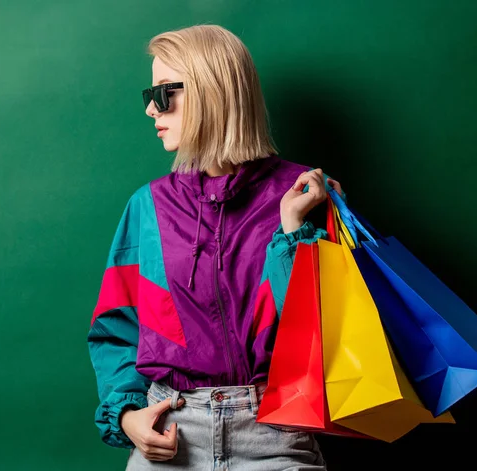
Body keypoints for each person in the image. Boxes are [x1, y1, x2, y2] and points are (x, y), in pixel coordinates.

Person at [87, 24, 345, 470]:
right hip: (170, 434)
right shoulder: (148, 207)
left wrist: (292, 230)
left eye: (164, 93)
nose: (151, 109)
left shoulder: (303, 194)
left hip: (274, 434)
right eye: (149, 95)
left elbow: (324, 338)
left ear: (211, 91)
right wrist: (127, 417)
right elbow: (117, 328)